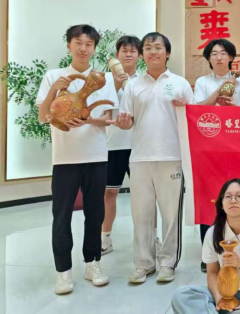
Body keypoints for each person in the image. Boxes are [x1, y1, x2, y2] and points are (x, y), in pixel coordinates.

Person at [36, 25, 118, 294]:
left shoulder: (103, 79)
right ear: (69, 45)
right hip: (64, 159)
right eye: (78, 43)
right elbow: (42, 117)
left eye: (89, 44)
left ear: (94, 48)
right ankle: (63, 271)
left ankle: (93, 263)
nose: (83, 48)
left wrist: (87, 119)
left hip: (96, 156)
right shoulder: (54, 76)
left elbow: (108, 118)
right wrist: (54, 90)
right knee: (61, 216)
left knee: (95, 213)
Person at [110, 32, 194, 284]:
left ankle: (167, 262)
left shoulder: (180, 83)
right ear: (142, 54)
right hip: (140, 158)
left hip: (172, 156)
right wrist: (123, 123)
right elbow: (128, 122)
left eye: (158, 47)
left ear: (167, 53)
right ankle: (143, 263)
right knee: (141, 214)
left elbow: (192, 120)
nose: (153, 52)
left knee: (170, 215)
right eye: (148, 48)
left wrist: (185, 108)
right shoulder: (133, 85)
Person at [172, 179, 240, 314]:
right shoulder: (213, 233)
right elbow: (212, 272)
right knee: (181, 295)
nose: (233, 200)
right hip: (221, 291)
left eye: (239, 196)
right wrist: (219, 300)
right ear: (222, 204)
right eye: (227, 196)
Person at [194, 39, 240, 272]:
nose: (219, 57)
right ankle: (208, 253)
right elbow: (197, 109)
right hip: (208, 147)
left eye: (224, 53)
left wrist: (232, 109)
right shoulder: (202, 82)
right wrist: (219, 92)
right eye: (214, 53)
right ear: (208, 59)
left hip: (236, 146)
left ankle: (238, 249)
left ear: (231, 58)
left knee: (235, 195)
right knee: (208, 197)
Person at [101, 35, 142, 255]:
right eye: (124, 51)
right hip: (112, 145)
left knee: (144, 196)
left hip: (139, 146)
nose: (128, 54)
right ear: (117, 55)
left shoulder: (144, 81)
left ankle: (148, 238)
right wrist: (116, 85)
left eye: (133, 51)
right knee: (109, 194)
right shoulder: (104, 80)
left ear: (139, 56)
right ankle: (105, 238)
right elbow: (99, 111)